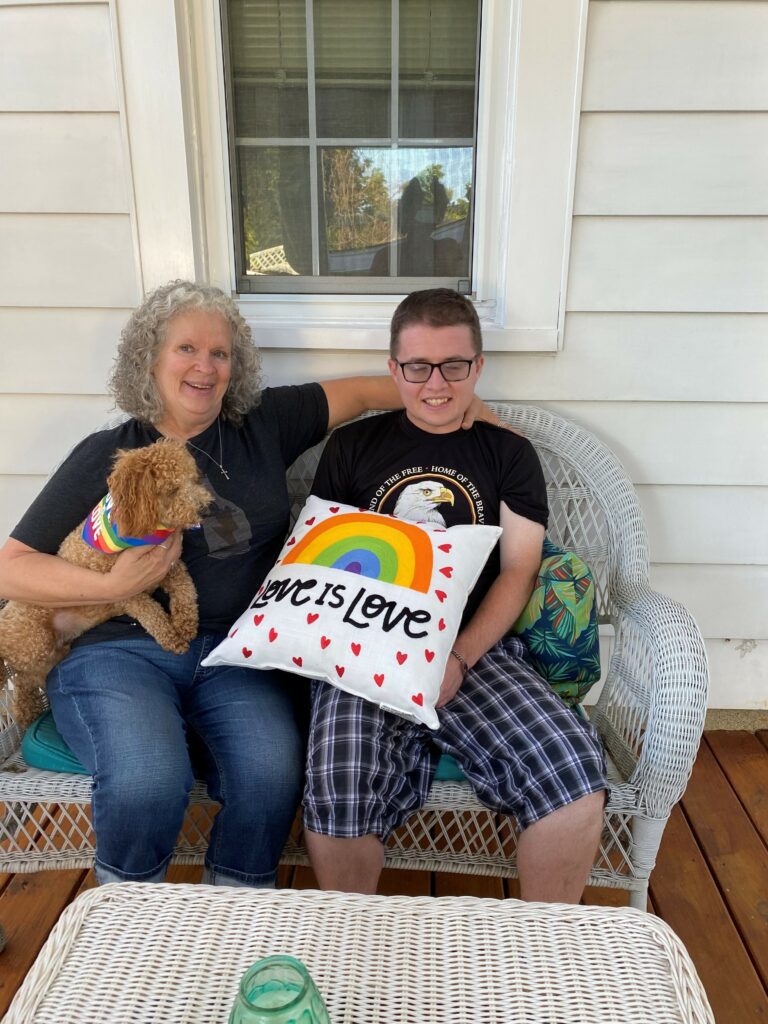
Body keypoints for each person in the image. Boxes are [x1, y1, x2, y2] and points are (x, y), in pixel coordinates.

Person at [0, 279, 491, 889]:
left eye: (221, 353)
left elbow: (376, 389)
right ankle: (124, 920)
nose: (206, 366)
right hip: (119, 653)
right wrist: (110, 584)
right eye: (186, 349)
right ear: (149, 358)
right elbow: (11, 565)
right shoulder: (111, 454)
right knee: (149, 777)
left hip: (238, 655)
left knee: (271, 772)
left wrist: (470, 409)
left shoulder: (264, 424)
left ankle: (237, 912)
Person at [303, 288, 608, 902]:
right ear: (394, 369)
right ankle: (351, 945)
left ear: (478, 366)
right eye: (417, 366)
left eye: (454, 365)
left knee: (572, 772)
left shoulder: (508, 454)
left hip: (478, 648)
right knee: (338, 782)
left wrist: (459, 658)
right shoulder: (352, 449)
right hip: (368, 646)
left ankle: (541, 954)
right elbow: (322, 562)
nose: (435, 383)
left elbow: (518, 571)